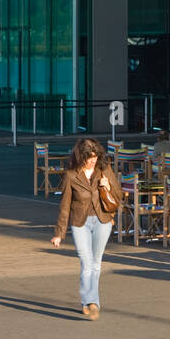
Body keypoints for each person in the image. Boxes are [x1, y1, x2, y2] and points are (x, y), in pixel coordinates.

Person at [51, 137, 122, 320]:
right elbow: (65, 205)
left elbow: (118, 196)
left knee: (95, 263)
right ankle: (90, 301)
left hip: (102, 220)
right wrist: (59, 233)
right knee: (86, 262)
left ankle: (91, 302)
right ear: (80, 156)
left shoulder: (104, 170)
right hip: (80, 222)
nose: (93, 160)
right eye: (89, 157)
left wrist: (107, 186)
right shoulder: (71, 175)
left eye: (95, 156)